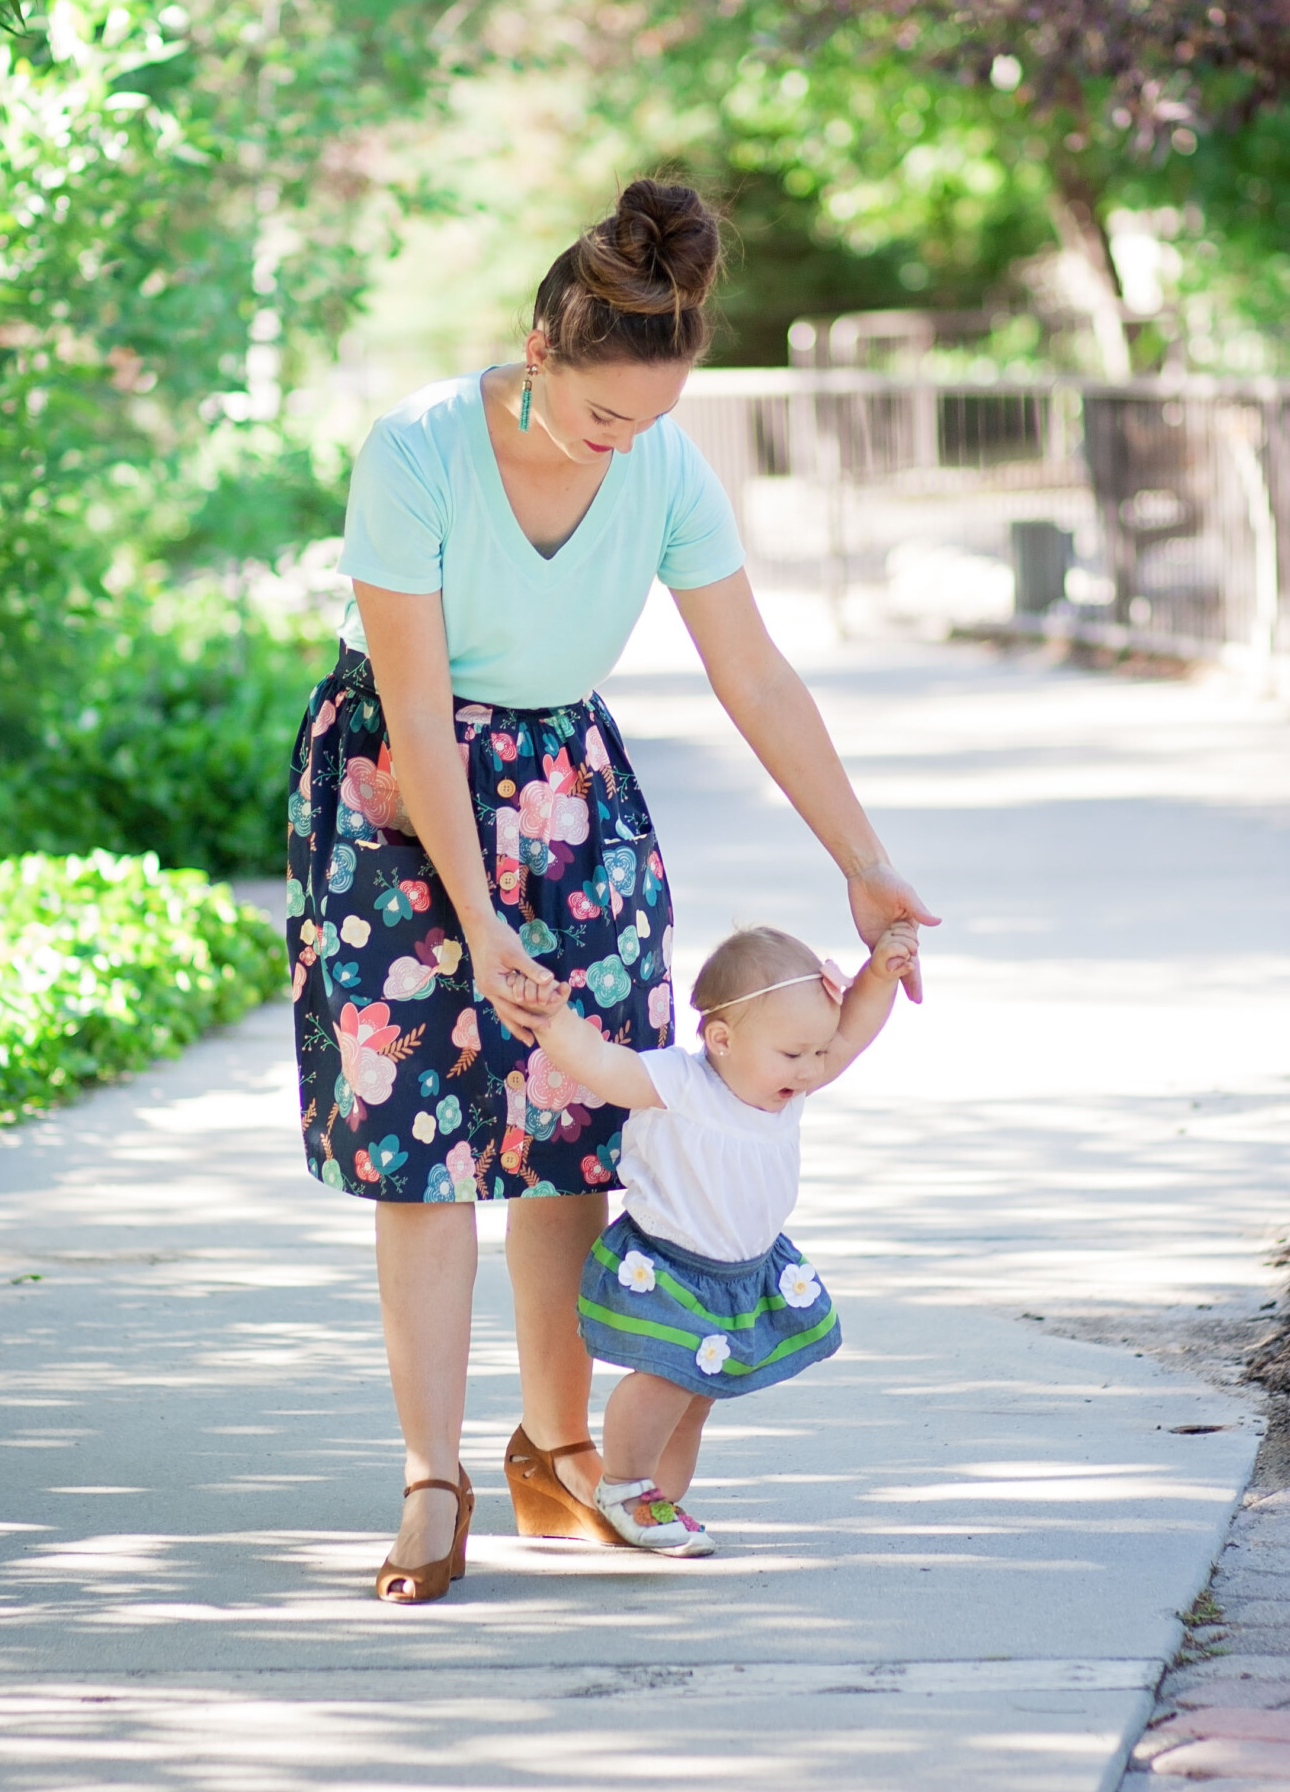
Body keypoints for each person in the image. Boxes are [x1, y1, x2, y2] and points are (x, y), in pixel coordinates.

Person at [285, 175, 939, 1605]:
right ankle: (430, 1476)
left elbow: (751, 672)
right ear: (541, 351)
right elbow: (411, 704)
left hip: (571, 800)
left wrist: (862, 858)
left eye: (649, 421)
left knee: (577, 1139)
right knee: (424, 1152)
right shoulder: (415, 452)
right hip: (404, 798)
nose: (622, 445)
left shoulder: (660, 466)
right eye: (601, 415)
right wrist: (477, 917)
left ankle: (558, 1448)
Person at [533, 920, 917, 1556]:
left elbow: (851, 1035)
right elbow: (603, 1066)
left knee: (699, 1393)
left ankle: (659, 1494)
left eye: (815, 1053)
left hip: (741, 1274)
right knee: (667, 1379)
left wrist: (879, 976)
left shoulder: (786, 1089)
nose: (813, 1069)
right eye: (794, 1055)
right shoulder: (684, 1084)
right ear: (722, 1039)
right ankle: (622, 1483)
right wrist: (553, 1021)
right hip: (669, 1267)